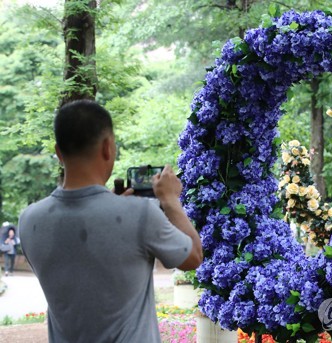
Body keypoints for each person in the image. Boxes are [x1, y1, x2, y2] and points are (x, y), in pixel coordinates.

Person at [19, 100, 203, 343]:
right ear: (108, 148)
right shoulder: (140, 214)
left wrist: (116, 208)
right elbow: (193, 257)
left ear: (58, 152)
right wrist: (170, 200)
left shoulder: (29, 220)